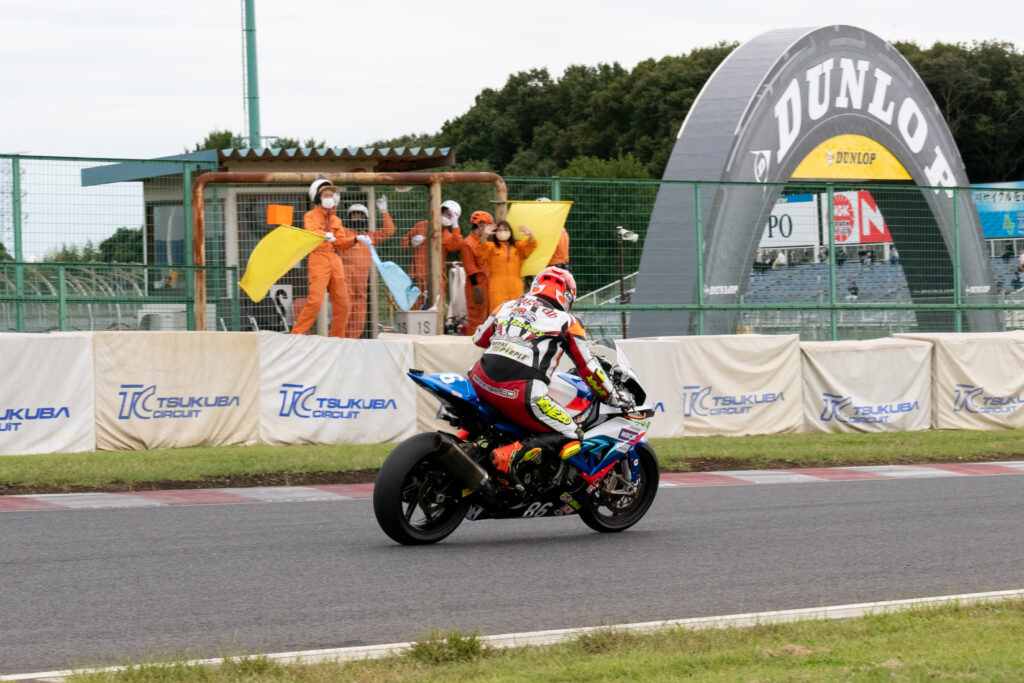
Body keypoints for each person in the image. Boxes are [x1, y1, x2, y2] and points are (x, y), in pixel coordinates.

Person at [469, 266, 622, 487]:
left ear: (536, 286)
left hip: (478, 381)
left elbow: (479, 339)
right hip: (520, 392)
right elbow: (587, 367)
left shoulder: (507, 306)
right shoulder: (566, 321)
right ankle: (508, 456)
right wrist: (612, 396)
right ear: (568, 297)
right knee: (572, 433)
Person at [290, 179, 362, 338]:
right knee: (315, 301)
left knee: (343, 303)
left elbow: (341, 243)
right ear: (317, 197)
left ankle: (337, 337)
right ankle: (296, 334)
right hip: (318, 258)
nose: (330, 198)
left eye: (331, 195)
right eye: (326, 195)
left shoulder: (336, 220)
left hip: (334, 259)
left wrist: (356, 239)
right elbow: (312, 231)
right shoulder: (310, 215)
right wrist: (325, 235)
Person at [339, 196, 395, 338]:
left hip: (361, 286)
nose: (357, 218)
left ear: (365, 218)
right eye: (354, 216)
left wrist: (384, 211)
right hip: (345, 283)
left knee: (359, 318)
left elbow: (389, 231)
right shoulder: (344, 233)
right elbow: (332, 227)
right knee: (343, 313)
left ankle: (352, 342)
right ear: (349, 218)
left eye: (360, 215)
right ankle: (340, 341)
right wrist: (334, 206)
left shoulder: (371, 237)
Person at [401, 199, 463, 309]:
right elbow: (403, 242)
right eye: (446, 213)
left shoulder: (448, 236)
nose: (447, 217)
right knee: (415, 306)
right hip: (417, 274)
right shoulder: (422, 226)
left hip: (436, 277)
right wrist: (412, 242)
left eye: (451, 216)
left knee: (435, 306)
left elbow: (458, 244)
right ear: (440, 211)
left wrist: (455, 226)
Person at [477, 219, 537, 307]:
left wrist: (531, 235)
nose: (503, 232)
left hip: (515, 285)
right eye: (500, 230)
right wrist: (484, 235)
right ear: (495, 233)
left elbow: (530, 245)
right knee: (497, 310)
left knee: (516, 310)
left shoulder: (517, 246)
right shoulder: (491, 246)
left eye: (506, 230)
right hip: (497, 286)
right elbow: (481, 248)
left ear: (510, 232)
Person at [460, 210, 493, 334]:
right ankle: (471, 342)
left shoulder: (483, 242)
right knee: (476, 318)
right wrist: (476, 288)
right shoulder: (468, 243)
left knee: (487, 317)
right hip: (476, 285)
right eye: (488, 225)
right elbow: (469, 266)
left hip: (487, 283)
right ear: (481, 224)